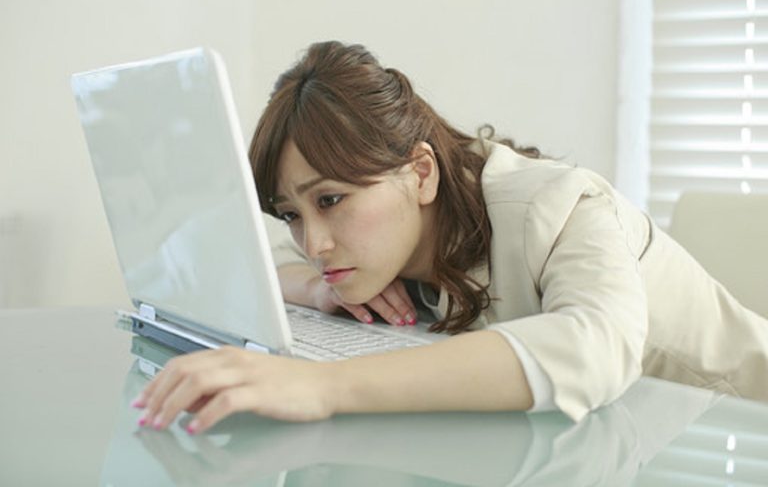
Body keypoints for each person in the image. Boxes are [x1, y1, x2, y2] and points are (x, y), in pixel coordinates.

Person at [132, 41, 768, 435]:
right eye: (291, 214)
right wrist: (316, 290)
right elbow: (266, 266)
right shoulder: (378, 246)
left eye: (330, 200)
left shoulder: (565, 203)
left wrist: (323, 387)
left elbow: (593, 345)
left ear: (421, 172)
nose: (315, 243)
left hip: (733, 436)